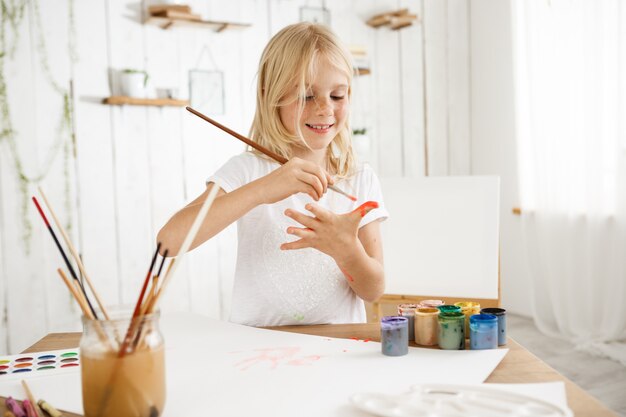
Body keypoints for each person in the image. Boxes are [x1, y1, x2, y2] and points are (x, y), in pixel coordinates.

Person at [157, 22, 388, 326]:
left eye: (337, 95)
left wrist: (346, 250)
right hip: (257, 352)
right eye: (306, 96)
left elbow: (373, 291)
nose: (324, 109)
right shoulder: (249, 170)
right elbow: (168, 243)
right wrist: (261, 190)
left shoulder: (358, 178)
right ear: (271, 95)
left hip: (337, 350)